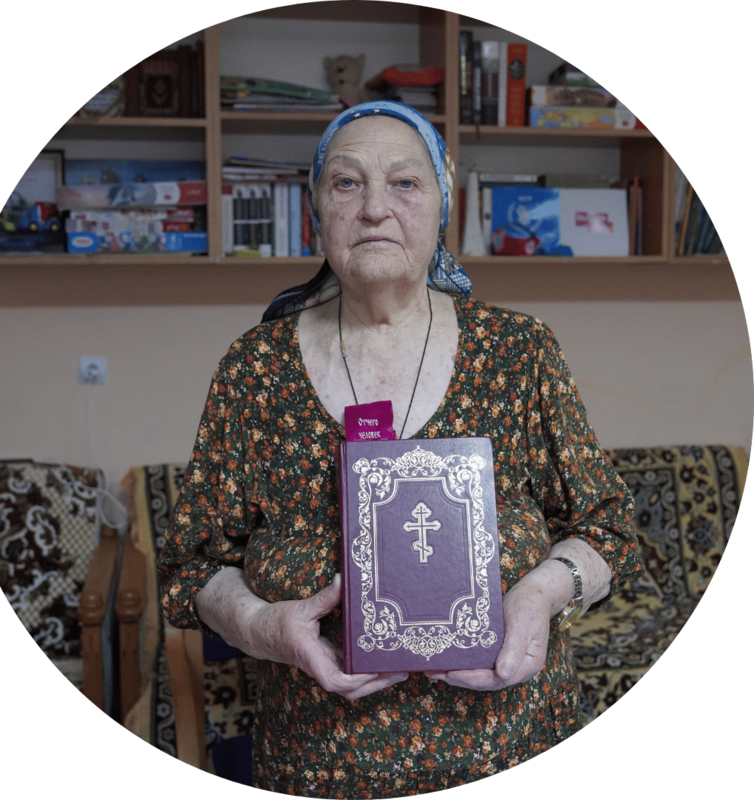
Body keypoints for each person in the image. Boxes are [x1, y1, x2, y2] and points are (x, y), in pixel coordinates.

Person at [159, 101, 643, 797]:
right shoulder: (255, 369)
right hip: (322, 767)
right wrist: (263, 624)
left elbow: (608, 527)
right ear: (316, 209)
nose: (375, 209)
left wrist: (540, 593)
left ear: (443, 206)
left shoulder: (519, 353)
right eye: (347, 183)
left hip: (515, 745)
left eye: (405, 184)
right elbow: (192, 564)